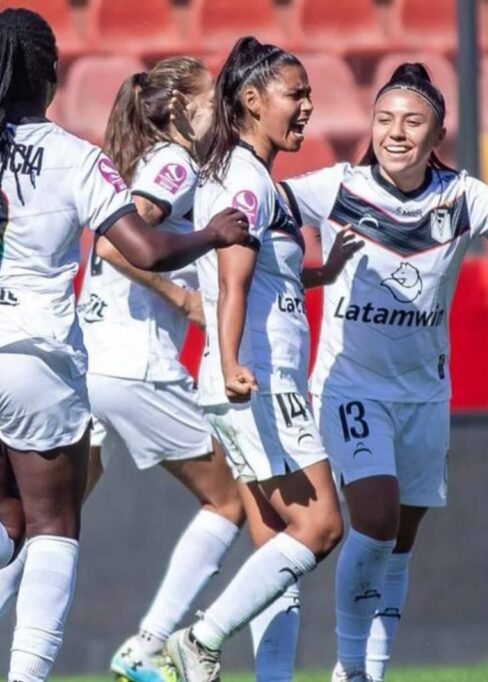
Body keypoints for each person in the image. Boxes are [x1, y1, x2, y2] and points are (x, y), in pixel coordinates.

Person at [0, 9, 254, 681]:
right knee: (55, 522)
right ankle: (65, 666)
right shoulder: (86, 158)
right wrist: (211, 240)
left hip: (42, 352)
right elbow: (133, 241)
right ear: (51, 75)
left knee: (11, 523)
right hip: (44, 355)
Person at [280, 62, 488, 681]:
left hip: (424, 396)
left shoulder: (462, 196)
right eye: (384, 119)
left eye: (413, 122)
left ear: (437, 135)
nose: (396, 132)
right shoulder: (337, 187)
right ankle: (349, 668)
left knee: (400, 545)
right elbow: (261, 206)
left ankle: (370, 672)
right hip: (350, 385)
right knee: (375, 519)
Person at [163, 36, 360, 682]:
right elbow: (234, 277)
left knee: (277, 546)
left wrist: (320, 271)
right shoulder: (246, 179)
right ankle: (201, 637)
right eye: (295, 94)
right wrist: (228, 362)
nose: (308, 106)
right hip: (259, 384)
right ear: (252, 100)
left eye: (309, 94)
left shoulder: (248, 176)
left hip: (249, 380)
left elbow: (263, 275)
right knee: (322, 527)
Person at [75, 57, 245, 682]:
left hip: (90, 356)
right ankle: (147, 649)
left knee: (48, 522)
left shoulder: (140, 163)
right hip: (134, 361)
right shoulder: (171, 164)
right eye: (209, 102)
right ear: (178, 109)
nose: (219, 113)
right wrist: (185, 300)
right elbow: (119, 243)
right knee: (230, 501)